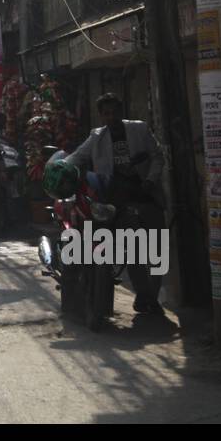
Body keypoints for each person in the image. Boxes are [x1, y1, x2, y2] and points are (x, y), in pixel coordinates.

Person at [65, 92, 167, 315]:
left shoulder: (139, 129)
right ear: (101, 116)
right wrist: (60, 167)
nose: (111, 117)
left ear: (121, 112)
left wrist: (150, 180)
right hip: (116, 201)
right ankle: (143, 295)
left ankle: (153, 295)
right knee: (134, 248)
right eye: (106, 113)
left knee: (158, 249)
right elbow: (77, 157)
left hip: (146, 196)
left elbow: (158, 156)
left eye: (114, 112)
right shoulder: (97, 136)